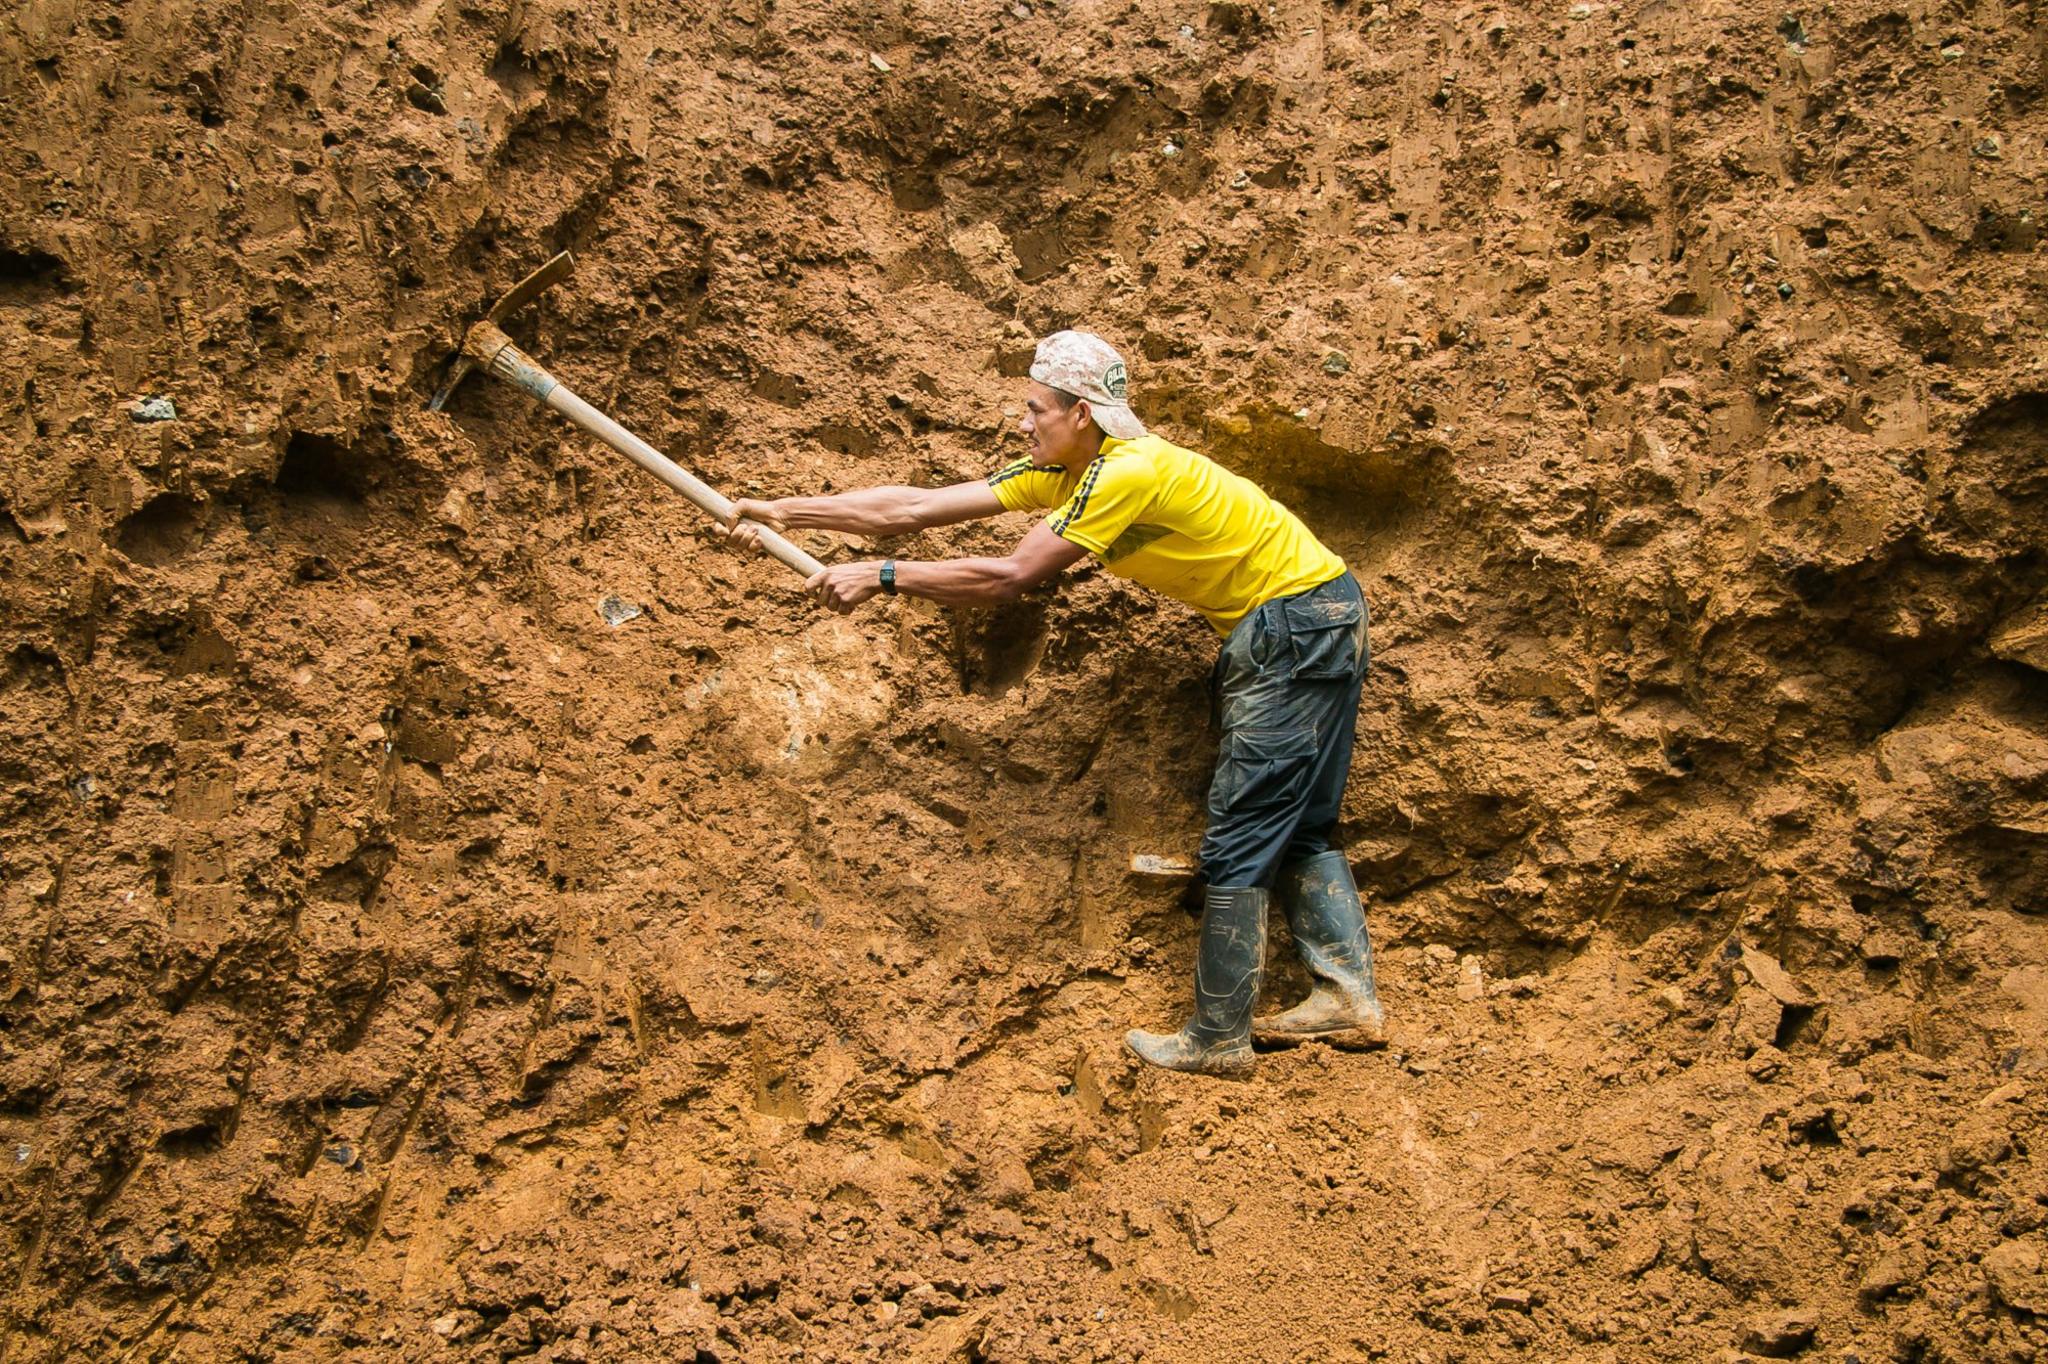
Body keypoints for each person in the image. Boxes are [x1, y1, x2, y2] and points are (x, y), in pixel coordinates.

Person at [722, 331, 1383, 1076]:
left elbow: (1010, 574)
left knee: (1241, 830)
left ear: (1082, 413)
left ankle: (1218, 1038)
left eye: (1037, 408)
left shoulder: (1124, 472)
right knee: (1300, 823)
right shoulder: (1068, 473)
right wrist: (788, 510)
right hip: (1324, 613)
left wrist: (880, 578)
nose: (1024, 421)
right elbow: (913, 506)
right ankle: (1347, 997)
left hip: (1289, 629)